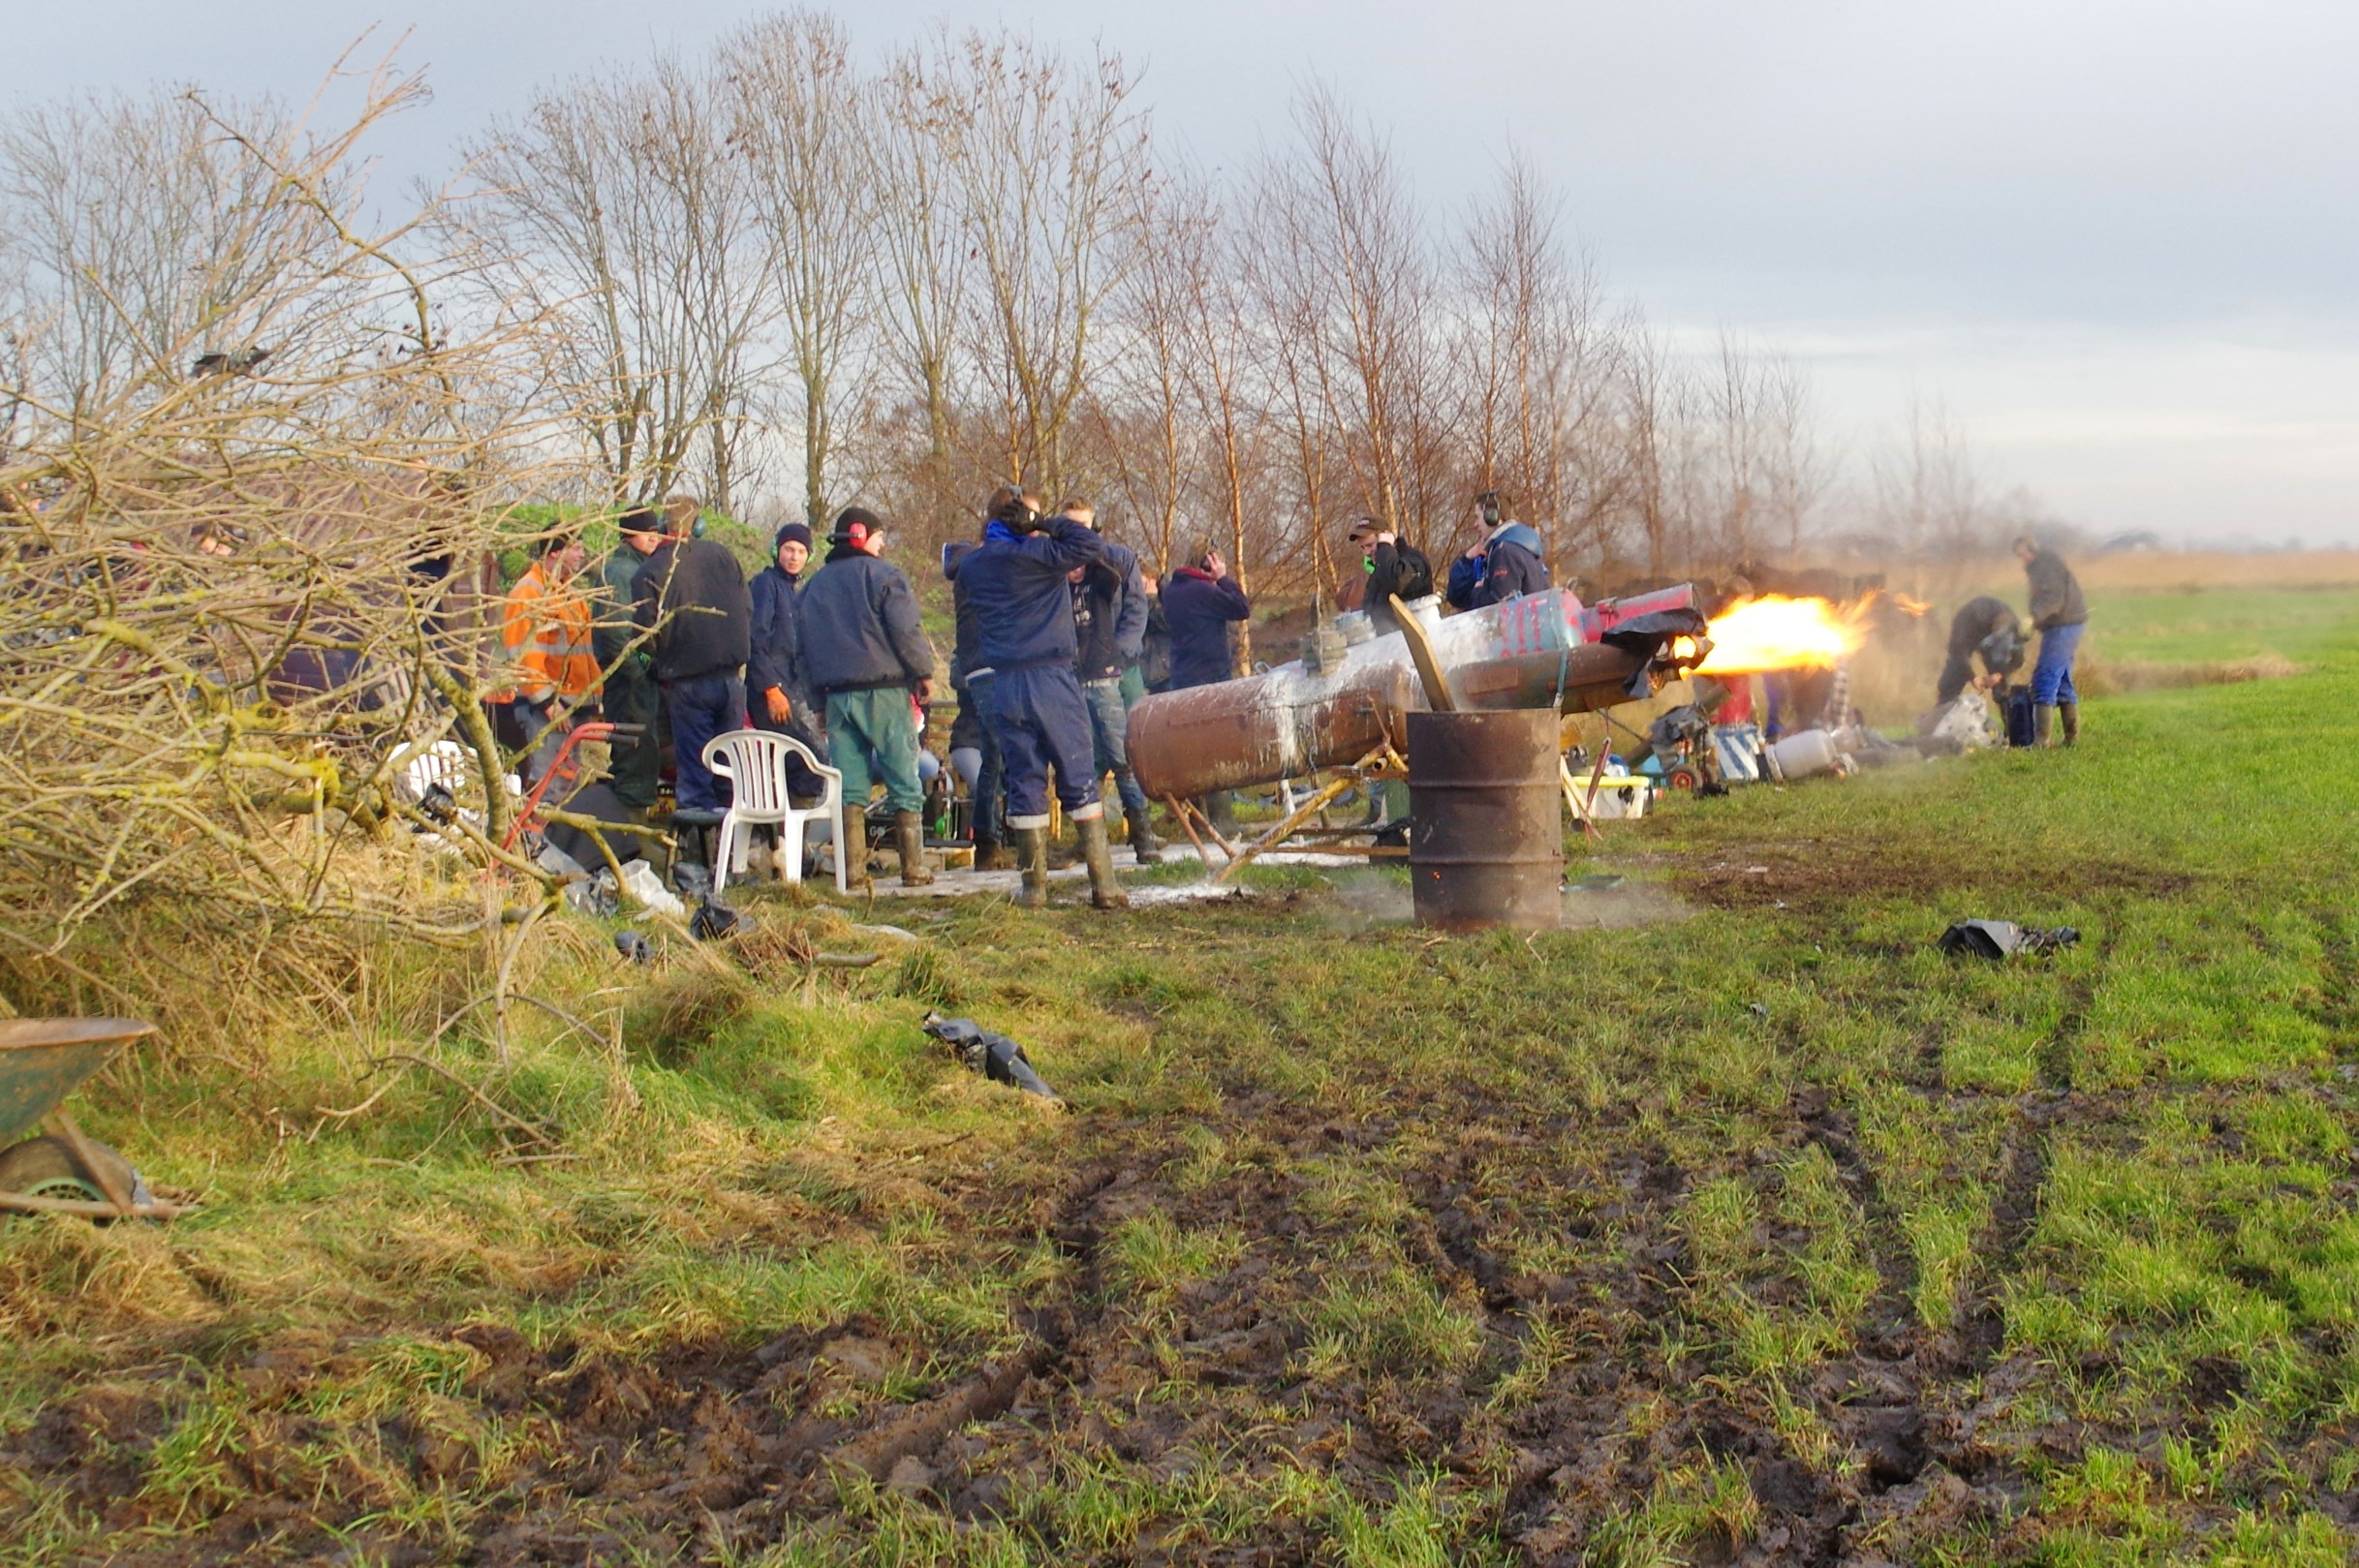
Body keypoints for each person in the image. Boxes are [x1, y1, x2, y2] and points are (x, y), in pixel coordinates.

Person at [956, 490, 1125, 909]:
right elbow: (1091, 546)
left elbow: (957, 563)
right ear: (1023, 518)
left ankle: (1033, 890)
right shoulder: (1039, 554)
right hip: (1052, 678)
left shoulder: (973, 566)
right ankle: (1104, 886)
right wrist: (1046, 521)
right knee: (1078, 775)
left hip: (1005, 684)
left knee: (1024, 780)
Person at [799, 507, 937, 886]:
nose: (882, 544)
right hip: (885, 694)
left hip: (838, 699)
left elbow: (803, 650)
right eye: (879, 537)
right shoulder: (885, 576)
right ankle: (913, 868)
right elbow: (906, 631)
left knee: (851, 786)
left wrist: (817, 704)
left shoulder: (813, 587)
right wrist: (923, 674)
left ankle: (854, 872)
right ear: (863, 537)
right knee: (903, 778)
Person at [630, 504, 752, 819]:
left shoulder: (649, 572)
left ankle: (698, 856)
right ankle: (732, 854)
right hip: (731, 679)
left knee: (696, 779)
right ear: (698, 525)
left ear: (662, 527)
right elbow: (746, 610)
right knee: (729, 773)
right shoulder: (724, 557)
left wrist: (655, 668)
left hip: (686, 683)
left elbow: (645, 638)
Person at [1064, 498, 1161, 865]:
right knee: (1083, 760)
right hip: (1072, 674)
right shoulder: (1054, 565)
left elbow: (1137, 608)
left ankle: (1142, 834)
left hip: (1113, 669)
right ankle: (1089, 837)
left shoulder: (1116, 560)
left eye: (1084, 527)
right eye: (1069, 526)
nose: (1078, 533)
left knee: (1124, 753)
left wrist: (1118, 652)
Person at [495, 533, 600, 790]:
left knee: (565, 783)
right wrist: (546, 702)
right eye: (576, 548)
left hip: (570, 707)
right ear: (555, 552)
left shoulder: (568, 593)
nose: (581, 555)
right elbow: (524, 656)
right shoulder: (529, 593)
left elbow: (583, 654)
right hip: (546, 711)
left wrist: (591, 701)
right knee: (546, 785)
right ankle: (538, 832)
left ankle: (553, 830)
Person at [1162, 541, 1253, 834]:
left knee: (1194, 750)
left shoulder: (1173, 590)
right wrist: (1223, 578)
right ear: (1208, 563)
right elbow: (1242, 608)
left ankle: (1197, 818)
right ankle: (1223, 821)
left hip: (1183, 676)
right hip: (1210, 678)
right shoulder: (1203, 591)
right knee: (1216, 749)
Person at [944, 522, 1009, 869]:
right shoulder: (985, 568)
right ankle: (990, 839)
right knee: (999, 756)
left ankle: (994, 840)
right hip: (992, 668)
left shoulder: (970, 567)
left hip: (990, 669)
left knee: (999, 757)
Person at [594, 511, 667, 813]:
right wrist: (641, 671)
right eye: (644, 531)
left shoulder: (640, 568)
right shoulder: (622, 572)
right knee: (634, 760)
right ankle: (630, 837)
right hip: (629, 686)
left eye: (655, 531)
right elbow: (616, 633)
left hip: (639, 684)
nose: (653, 536)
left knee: (642, 757)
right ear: (627, 534)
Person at [748, 521, 829, 791]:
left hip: (795, 691)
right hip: (771, 693)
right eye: (788, 549)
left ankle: (790, 831)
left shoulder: (798, 591)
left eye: (800, 552)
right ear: (776, 550)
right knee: (809, 761)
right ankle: (790, 831)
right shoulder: (764, 585)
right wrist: (771, 690)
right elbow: (755, 641)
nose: (794, 557)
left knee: (810, 761)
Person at [2015, 534, 2088, 747]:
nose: (2023, 559)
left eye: (2024, 554)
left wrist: (2033, 617)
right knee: (2062, 680)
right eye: (2019, 556)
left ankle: (2041, 741)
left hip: (2063, 626)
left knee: (2045, 676)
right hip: (2066, 624)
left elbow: (2054, 599)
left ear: (2033, 548)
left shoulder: (2045, 565)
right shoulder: (2041, 565)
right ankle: (2071, 738)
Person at [1444, 491, 1550, 610]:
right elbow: (1457, 597)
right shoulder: (1521, 548)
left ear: (1492, 516)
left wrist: (1478, 590)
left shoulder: (1505, 552)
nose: (1475, 524)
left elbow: (1499, 607)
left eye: (1477, 517)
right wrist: (1467, 559)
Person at [1346, 514, 1433, 635]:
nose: (1366, 552)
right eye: (1362, 547)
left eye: (1370, 545)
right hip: (1391, 644)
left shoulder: (1414, 559)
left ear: (1385, 537)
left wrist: (1384, 547)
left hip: (1420, 640)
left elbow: (1398, 581)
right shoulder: (1379, 571)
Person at [1935, 596, 2025, 706]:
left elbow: (2018, 659)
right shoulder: (1967, 622)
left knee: (2002, 686)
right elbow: (1958, 653)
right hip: (1970, 627)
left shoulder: (2013, 628)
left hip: (1995, 633)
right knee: (1954, 674)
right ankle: (1944, 706)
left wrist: (1999, 674)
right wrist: (1972, 677)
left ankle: (2008, 710)